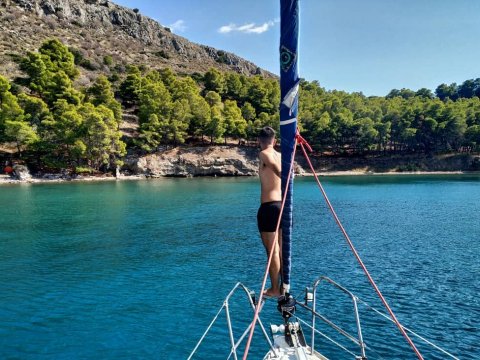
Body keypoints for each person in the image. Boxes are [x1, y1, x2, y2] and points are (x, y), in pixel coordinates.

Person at [257, 126, 282, 298]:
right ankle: (283, 286)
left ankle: (274, 289)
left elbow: (274, 167)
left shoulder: (264, 153)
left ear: (259, 141)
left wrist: (284, 175)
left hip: (269, 207)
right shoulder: (281, 155)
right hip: (283, 206)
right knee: (281, 250)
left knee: (272, 251)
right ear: (275, 140)